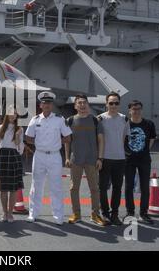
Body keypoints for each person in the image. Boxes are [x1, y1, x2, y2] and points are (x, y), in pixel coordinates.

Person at [25, 92, 72, 225]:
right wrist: (40, 144)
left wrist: (55, 142)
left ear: (52, 105)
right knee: (36, 185)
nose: (46, 105)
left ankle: (58, 216)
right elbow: (28, 138)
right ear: (40, 105)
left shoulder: (59, 119)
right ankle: (33, 213)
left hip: (54, 156)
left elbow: (68, 137)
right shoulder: (35, 120)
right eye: (44, 103)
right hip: (39, 155)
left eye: (49, 103)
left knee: (56, 186)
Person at [64, 94, 106, 226]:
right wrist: (66, 157)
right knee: (73, 188)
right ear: (75, 106)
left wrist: (100, 158)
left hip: (92, 160)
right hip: (75, 159)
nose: (82, 105)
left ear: (88, 105)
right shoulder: (70, 120)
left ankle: (95, 214)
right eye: (79, 103)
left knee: (94, 188)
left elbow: (101, 140)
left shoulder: (95, 121)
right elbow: (67, 141)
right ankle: (76, 214)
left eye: (84, 103)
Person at [98, 92, 130, 226]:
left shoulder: (124, 119)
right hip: (104, 158)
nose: (113, 105)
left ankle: (114, 214)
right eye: (111, 103)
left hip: (119, 158)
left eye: (116, 103)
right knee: (103, 188)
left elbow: (124, 138)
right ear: (106, 104)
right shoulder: (100, 118)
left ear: (119, 104)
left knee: (117, 188)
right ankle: (105, 213)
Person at [124, 100, 157, 225]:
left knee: (144, 187)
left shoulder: (149, 124)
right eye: (134, 109)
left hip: (144, 159)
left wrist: (144, 150)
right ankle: (130, 212)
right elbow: (122, 139)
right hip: (129, 160)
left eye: (138, 109)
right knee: (128, 186)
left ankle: (144, 213)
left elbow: (152, 139)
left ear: (141, 110)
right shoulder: (125, 124)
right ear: (130, 110)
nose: (136, 111)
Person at [0, 107, 24, 223]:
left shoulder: (19, 129)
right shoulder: (0, 128)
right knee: (3, 188)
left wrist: (17, 135)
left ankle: (10, 213)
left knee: (13, 189)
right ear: (7, 115)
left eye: (15, 114)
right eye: (11, 113)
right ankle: (4, 212)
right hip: (2, 157)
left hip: (14, 157)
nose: (13, 116)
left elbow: (19, 149)